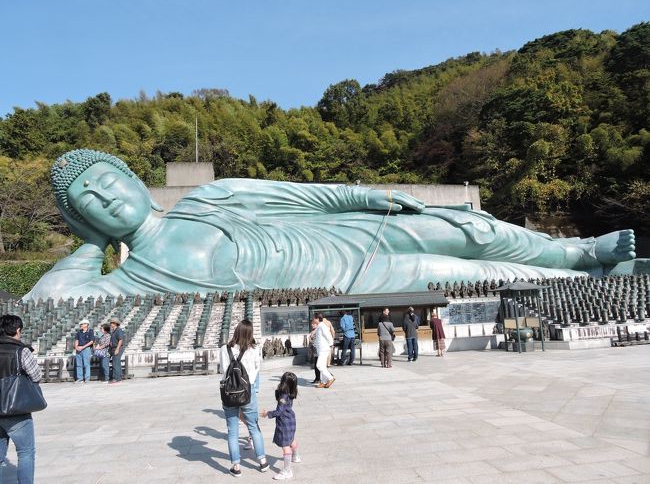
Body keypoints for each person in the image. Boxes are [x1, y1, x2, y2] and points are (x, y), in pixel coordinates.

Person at [25, 149, 639, 301]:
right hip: (352, 277)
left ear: (134, 178)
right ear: (80, 217)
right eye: (89, 202)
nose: (107, 199)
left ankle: (581, 251)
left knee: (467, 228)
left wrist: (371, 198)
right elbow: (49, 299)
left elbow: (308, 195)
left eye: (109, 181)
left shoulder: (212, 195)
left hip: (343, 235)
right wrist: (90, 246)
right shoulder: (135, 276)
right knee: (472, 272)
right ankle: (594, 275)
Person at [219, 320, 269, 477]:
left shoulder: (224, 349)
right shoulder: (254, 349)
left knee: (232, 431)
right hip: (248, 392)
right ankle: (263, 462)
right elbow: (257, 368)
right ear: (250, 333)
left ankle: (236, 466)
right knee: (253, 426)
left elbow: (222, 370)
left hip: (229, 394)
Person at [0, 314, 42, 484]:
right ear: (18, 330)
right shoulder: (21, 351)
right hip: (15, 408)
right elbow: (36, 375)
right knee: (25, 452)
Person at [260, 372, 301, 480]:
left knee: (285, 447)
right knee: (291, 440)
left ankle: (287, 471)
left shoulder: (283, 396)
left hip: (284, 423)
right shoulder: (291, 392)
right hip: (291, 420)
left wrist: (267, 414)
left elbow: (278, 411)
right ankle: (296, 456)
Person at [313, 314, 335, 388]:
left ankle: (330, 378)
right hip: (321, 349)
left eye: (314, 319)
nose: (313, 320)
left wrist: (330, 344)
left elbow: (328, 335)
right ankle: (323, 382)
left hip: (324, 349)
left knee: (319, 365)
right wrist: (315, 344)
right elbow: (319, 338)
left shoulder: (322, 326)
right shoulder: (319, 326)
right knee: (322, 366)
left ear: (317, 319)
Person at [74, 319, 94, 383]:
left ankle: (87, 378)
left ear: (86, 325)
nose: (81, 325)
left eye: (82, 324)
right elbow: (76, 340)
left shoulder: (90, 331)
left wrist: (83, 347)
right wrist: (76, 347)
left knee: (86, 364)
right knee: (79, 364)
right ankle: (80, 378)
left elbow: (91, 341)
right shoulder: (79, 332)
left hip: (86, 349)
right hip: (79, 349)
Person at [108, 319, 124, 384]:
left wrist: (117, 349)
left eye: (112, 322)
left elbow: (120, 340)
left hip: (118, 348)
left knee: (115, 363)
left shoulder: (118, 330)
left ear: (115, 323)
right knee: (116, 362)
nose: (111, 324)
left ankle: (116, 378)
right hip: (113, 348)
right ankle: (119, 377)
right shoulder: (113, 331)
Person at [308, 318, 320, 384]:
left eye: (314, 324)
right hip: (315, 351)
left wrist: (310, 339)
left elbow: (316, 341)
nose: (312, 325)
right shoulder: (314, 331)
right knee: (316, 365)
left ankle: (318, 378)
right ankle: (317, 378)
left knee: (317, 365)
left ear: (317, 324)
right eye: (312, 324)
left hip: (317, 351)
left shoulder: (317, 331)